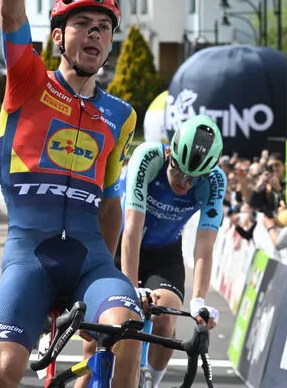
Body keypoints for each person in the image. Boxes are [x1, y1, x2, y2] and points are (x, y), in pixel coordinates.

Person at [0, 0, 140, 388]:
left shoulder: (120, 115)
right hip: (29, 254)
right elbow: (9, 15)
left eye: (103, 29)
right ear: (57, 37)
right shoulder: (28, 82)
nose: (93, 36)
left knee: (128, 335)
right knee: (1, 373)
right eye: (81, 26)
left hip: (91, 261)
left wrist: (108, 277)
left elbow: (112, 201)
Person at [116, 115, 225, 388]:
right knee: (106, 331)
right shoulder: (149, 156)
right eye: (177, 171)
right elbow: (132, 228)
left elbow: (205, 245)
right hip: (120, 243)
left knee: (164, 317)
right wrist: (131, 286)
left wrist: (199, 299)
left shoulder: (214, 181)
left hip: (164, 251)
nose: (184, 182)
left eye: (193, 178)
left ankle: (152, 383)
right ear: (170, 153)